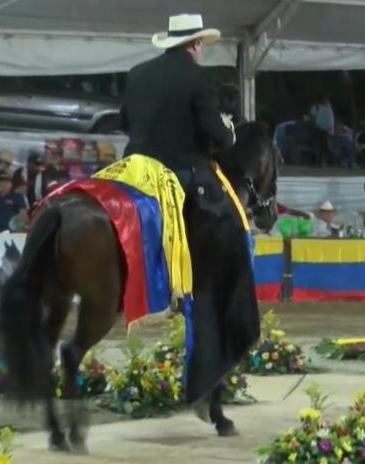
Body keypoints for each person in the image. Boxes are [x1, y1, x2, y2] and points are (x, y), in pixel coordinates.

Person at [119, 13, 251, 405]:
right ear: (196, 45)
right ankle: (202, 296)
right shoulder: (198, 78)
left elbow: (126, 122)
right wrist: (227, 130)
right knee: (232, 228)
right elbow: (217, 136)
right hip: (179, 171)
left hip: (134, 168)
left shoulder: (137, 73)